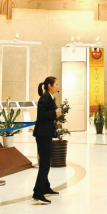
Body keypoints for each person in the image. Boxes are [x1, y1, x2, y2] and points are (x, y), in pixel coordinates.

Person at [32, 76, 61, 205]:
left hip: (46, 134)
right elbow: (41, 115)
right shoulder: (45, 97)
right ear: (49, 85)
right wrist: (55, 113)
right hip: (43, 135)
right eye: (56, 84)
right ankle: (38, 193)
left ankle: (45, 187)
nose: (58, 86)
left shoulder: (49, 96)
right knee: (44, 164)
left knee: (46, 161)